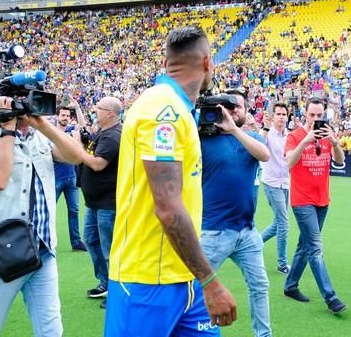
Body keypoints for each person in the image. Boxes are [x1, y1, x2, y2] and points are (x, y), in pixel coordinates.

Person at [106, 26, 237, 336]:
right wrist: (210, 280)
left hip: (184, 275)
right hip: (147, 278)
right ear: (208, 63)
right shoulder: (162, 112)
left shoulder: (177, 109)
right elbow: (167, 207)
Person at [0, 95, 84, 336]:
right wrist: (7, 128)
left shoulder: (39, 136)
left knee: (51, 330)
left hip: (42, 250)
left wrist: (43, 124)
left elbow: (75, 156)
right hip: (0, 253)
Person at [200, 89, 271, 337]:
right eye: (226, 107)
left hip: (247, 232)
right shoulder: (202, 139)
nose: (232, 111)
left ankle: (264, 335)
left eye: (237, 107)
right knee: (194, 287)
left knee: (260, 286)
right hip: (214, 231)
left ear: (245, 111)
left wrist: (233, 130)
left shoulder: (252, 138)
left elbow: (265, 155)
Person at [283, 97, 348, 314]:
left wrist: (335, 141)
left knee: (305, 246)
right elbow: (289, 163)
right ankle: (331, 297)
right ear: (305, 114)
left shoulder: (329, 135)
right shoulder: (294, 136)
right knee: (316, 248)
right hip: (302, 201)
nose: (316, 119)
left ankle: (290, 286)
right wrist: (306, 140)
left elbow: (339, 162)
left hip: (323, 199)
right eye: (312, 115)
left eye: (320, 115)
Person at [80, 96, 123, 308]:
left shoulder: (113, 136)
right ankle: (106, 282)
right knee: (91, 240)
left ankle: (116, 291)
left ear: (110, 114)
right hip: (96, 202)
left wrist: (78, 152)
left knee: (110, 250)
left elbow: (97, 164)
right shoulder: (104, 133)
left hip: (108, 203)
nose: (95, 111)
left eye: (99, 108)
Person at [260, 103, 292, 274]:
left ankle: (253, 243)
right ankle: (282, 264)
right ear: (273, 116)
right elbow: (260, 145)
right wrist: (265, 127)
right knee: (284, 224)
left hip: (285, 182)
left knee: (278, 223)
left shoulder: (289, 136)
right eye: (278, 113)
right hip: (271, 182)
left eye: (284, 114)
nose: (281, 117)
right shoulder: (267, 133)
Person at [53, 104, 86, 251]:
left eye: (67, 116)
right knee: (48, 211)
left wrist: (78, 109)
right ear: (57, 116)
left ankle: (76, 242)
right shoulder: (51, 133)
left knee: (74, 211)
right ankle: (45, 241)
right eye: (63, 115)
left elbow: (83, 127)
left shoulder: (72, 131)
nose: (65, 118)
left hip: (71, 177)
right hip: (55, 178)